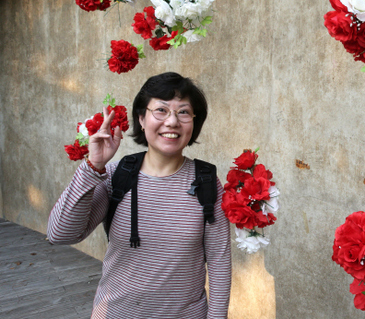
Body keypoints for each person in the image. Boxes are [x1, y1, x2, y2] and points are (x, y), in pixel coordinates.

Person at [47, 72, 231, 319]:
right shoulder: (116, 176)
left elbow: (219, 263)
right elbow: (59, 234)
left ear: (194, 123)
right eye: (161, 110)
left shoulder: (207, 182)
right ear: (141, 119)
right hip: (116, 313)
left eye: (184, 112)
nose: (173, 121)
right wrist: (93, 168)